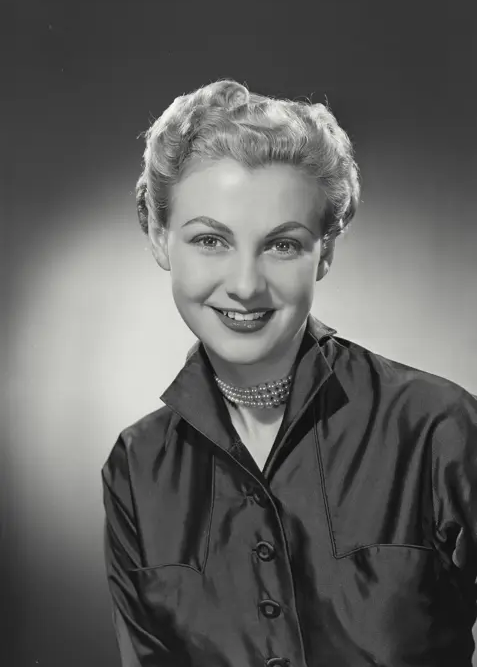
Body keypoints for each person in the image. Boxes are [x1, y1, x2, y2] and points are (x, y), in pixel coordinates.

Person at [101, 79, 477, 667]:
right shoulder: (136, 466)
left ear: (325, 251)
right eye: (209, 240)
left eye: (282, 245)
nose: (246, 285)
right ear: (159, 238)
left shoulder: (440, 429)